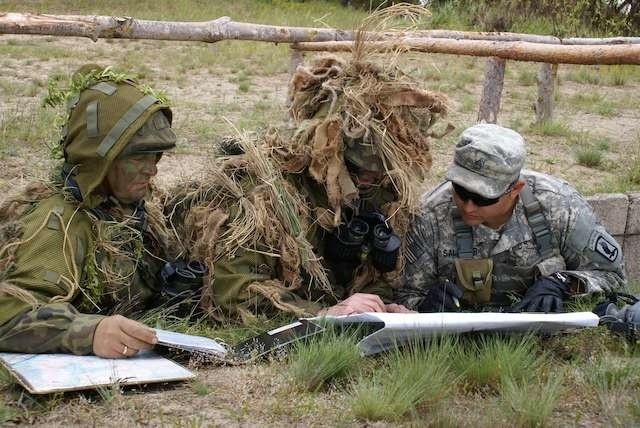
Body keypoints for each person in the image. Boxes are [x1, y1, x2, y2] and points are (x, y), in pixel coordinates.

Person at [166, 54, 450, 321]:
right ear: (326, 152)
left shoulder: (378, 192)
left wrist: (378, 306)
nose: (366, 181)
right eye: (356, 169)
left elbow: (378, 276)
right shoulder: (265, 196)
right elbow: (232, 292)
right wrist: (322, 314)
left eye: (377, 173)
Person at [0, 65, 178, 358]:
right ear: (101, 161)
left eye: (155, 156)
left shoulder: (124, 208)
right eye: (139, 157)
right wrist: (89, 333)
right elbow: (9, 312)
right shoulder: (59, 220)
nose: (153, 169)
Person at [397, 123, 626, 313]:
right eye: (460, 191)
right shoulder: (429, 215)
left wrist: (562, 283)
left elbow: (613, 276)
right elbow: (406, 297)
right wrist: (428, 304)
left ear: (515, 189)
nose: (468, 207)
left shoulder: (559, 206)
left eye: (483, 198)